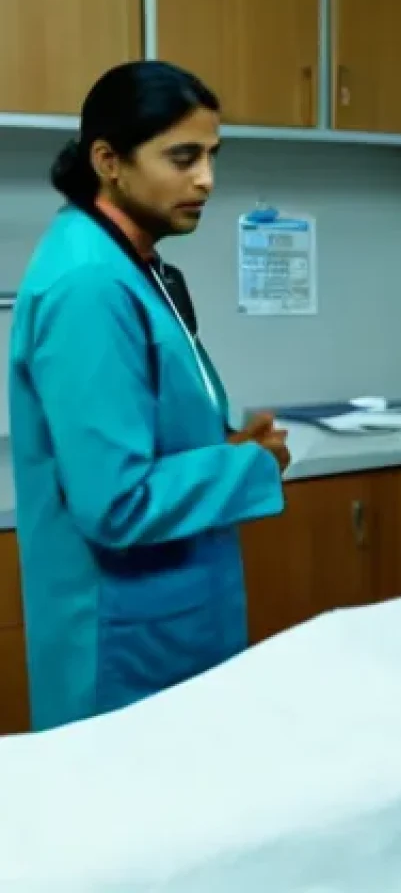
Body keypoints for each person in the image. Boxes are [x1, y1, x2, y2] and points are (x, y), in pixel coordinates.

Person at [8, 61, 292, 731]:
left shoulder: (125, 263)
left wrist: (223, 446)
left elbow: (145, 426)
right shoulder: (90, 285)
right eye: (183, 157)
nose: (206, 180)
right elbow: (116, 500)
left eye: (212, 156)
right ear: (108, 160)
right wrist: (251, 465)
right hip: (124, 641)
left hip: (169, 617)